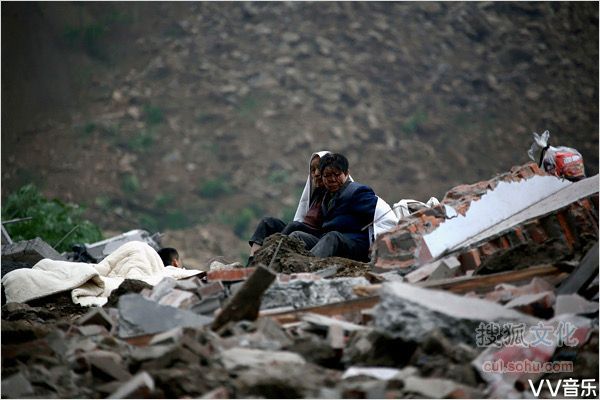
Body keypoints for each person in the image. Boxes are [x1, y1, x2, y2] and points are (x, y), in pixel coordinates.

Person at [288, 153, 381, 262]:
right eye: (327, 175)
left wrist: (377, 243)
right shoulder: (326, 196)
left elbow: (381, 213)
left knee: (333, 237)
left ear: (346, 173)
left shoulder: (357, 192)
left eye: (336, 174)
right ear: (322, 177)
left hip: (355, 245)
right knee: (297, 235)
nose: (332, 179)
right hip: (329, 241)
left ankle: (307, 267)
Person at [247, 151, 330, 265]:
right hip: (302, 230)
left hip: (319, 238)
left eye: (319, 169)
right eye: (312, 170)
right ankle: (251, 262)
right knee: (267, 222)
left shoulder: (333, 193)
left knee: (294, 226)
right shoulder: (315, 194)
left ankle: (269, 256)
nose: (315, 173)